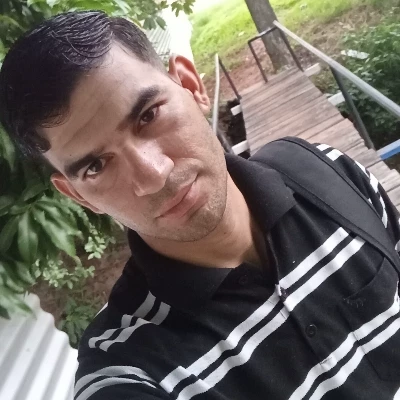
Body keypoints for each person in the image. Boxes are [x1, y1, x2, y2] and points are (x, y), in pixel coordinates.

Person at [1, 10, 400, 400]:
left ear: (190, 85)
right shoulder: (129, 367)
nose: (155, 175)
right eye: (96, 166)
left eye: (148, 115)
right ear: (79, 196)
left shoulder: (327, 171)